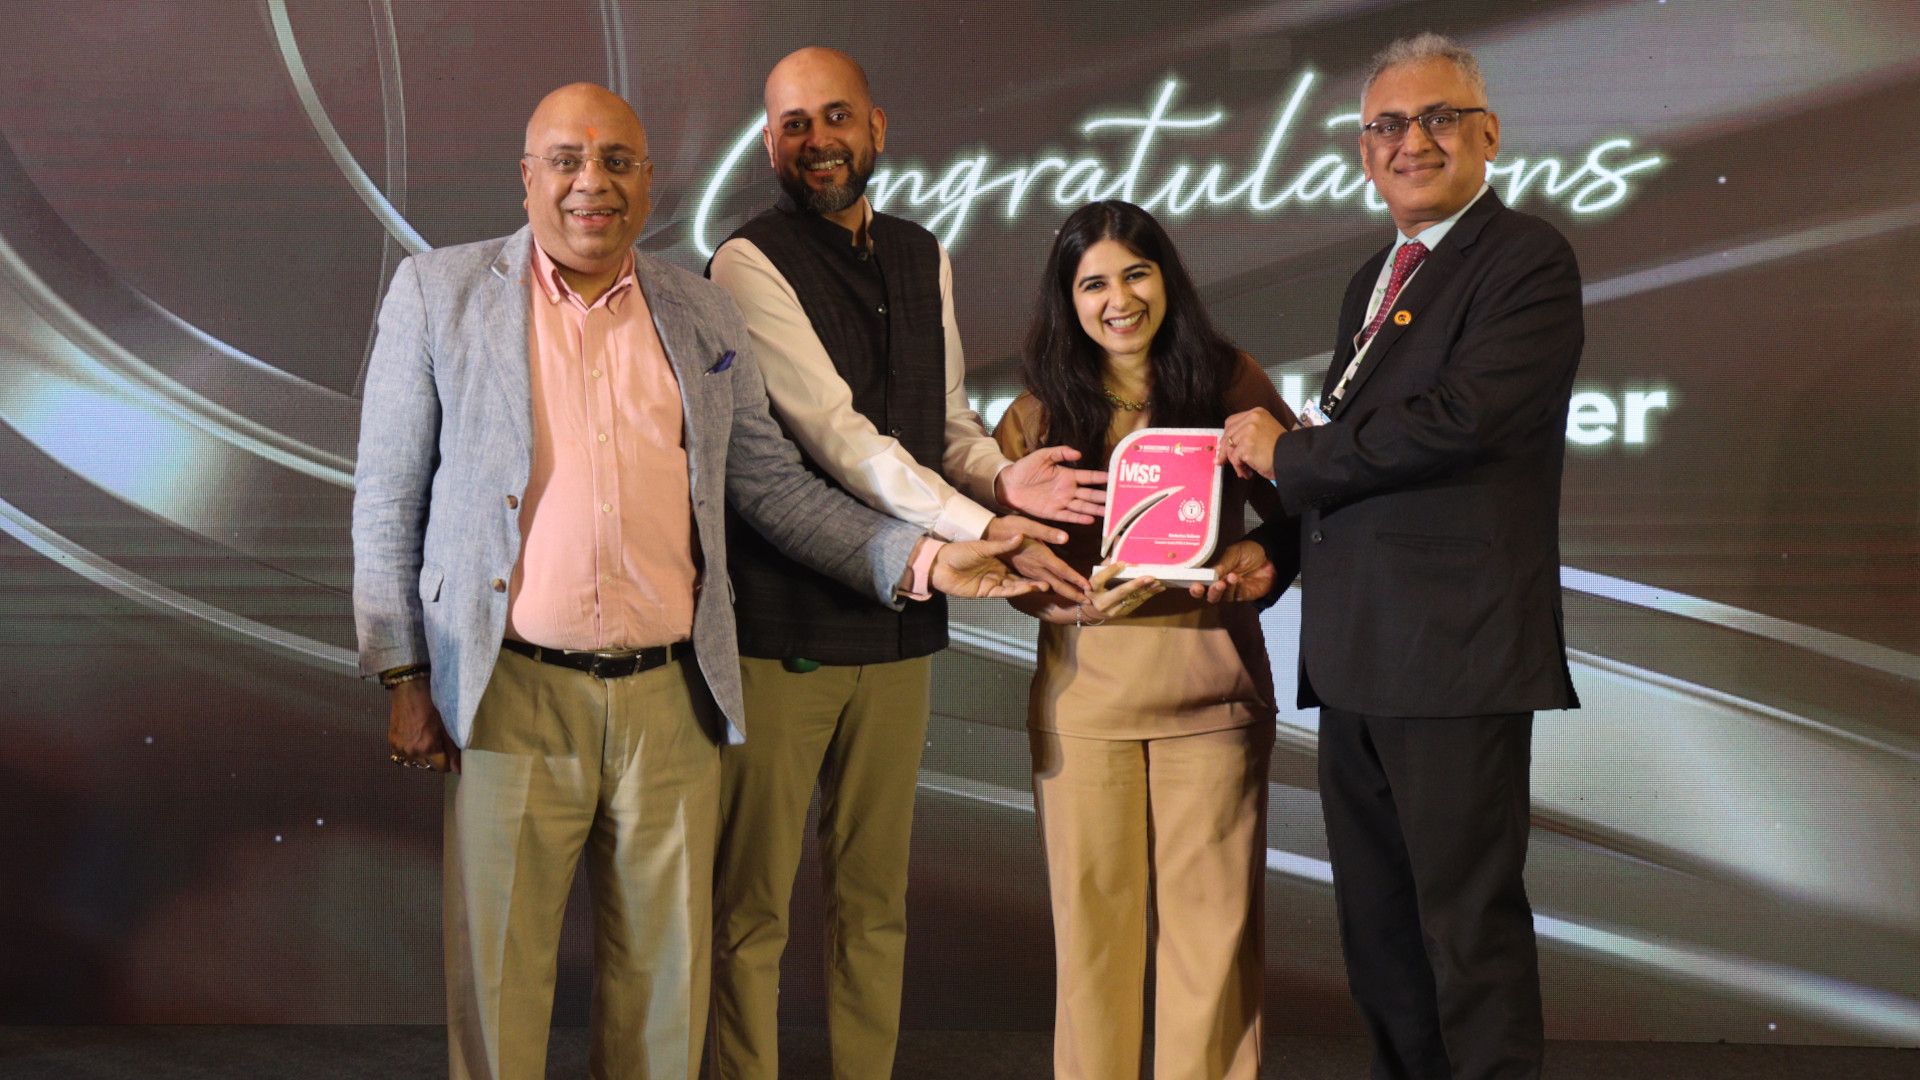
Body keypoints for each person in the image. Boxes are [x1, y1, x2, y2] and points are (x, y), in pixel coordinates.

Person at [350, 83, 1040, 1080]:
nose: (594, 183)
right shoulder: (437, 292)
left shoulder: (700, 307)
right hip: (509, 695)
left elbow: (772, 487)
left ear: (648, 179)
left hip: (676, 702)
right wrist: (401, 674)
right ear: (528, 175)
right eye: (568, 160)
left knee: (665, 1001)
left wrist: (925, 560)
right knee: (499, 991)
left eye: (618, 161)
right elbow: (386, 498)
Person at [704, 47, 1103, 1080]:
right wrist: (979, 532)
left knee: (875, 902)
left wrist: (1007, 484)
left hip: (902, 630)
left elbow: (943, 428)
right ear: (770, 145)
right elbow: (838, 438)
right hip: (784, 631)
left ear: (876, 128)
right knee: (752, 910)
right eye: (795, 123)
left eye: (836, 117)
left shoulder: (924, 252)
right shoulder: (745, 263)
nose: (818, 140)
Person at [1221, 33, 1583, 1080]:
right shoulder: (1373, 277)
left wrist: (1288, 454)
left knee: (1465, 934)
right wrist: (1275, 555)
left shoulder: (1523, 259)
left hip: (1455, 653)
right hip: (1356, 655)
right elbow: (1356, 456)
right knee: (1380, 941)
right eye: (1387, 124)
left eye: (1436, 119)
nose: (1410, 142)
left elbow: (1461, 421)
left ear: (1487, 136)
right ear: (1363, 149)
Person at [994, 199, 1297, 1080]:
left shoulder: (1228, 378)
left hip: (1215, 700)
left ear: (1166, 279)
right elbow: (1013, 569)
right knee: (1093, 953)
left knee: (1214, 949)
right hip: (1085, 709)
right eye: (1093, 283)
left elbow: (1302, 512)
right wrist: (1055, 595)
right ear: (1068, 300)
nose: (1118, 298)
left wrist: (1256, 555)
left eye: (1136, 273)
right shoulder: (1034, 418)